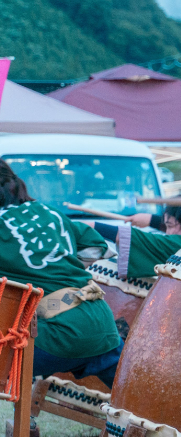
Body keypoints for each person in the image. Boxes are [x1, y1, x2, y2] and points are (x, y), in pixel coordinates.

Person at [0, 160, 122, 387]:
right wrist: (59, 267)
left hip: (58, 334)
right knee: (138, 403)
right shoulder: (47, 212)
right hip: (101, 324)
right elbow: (100, 248)